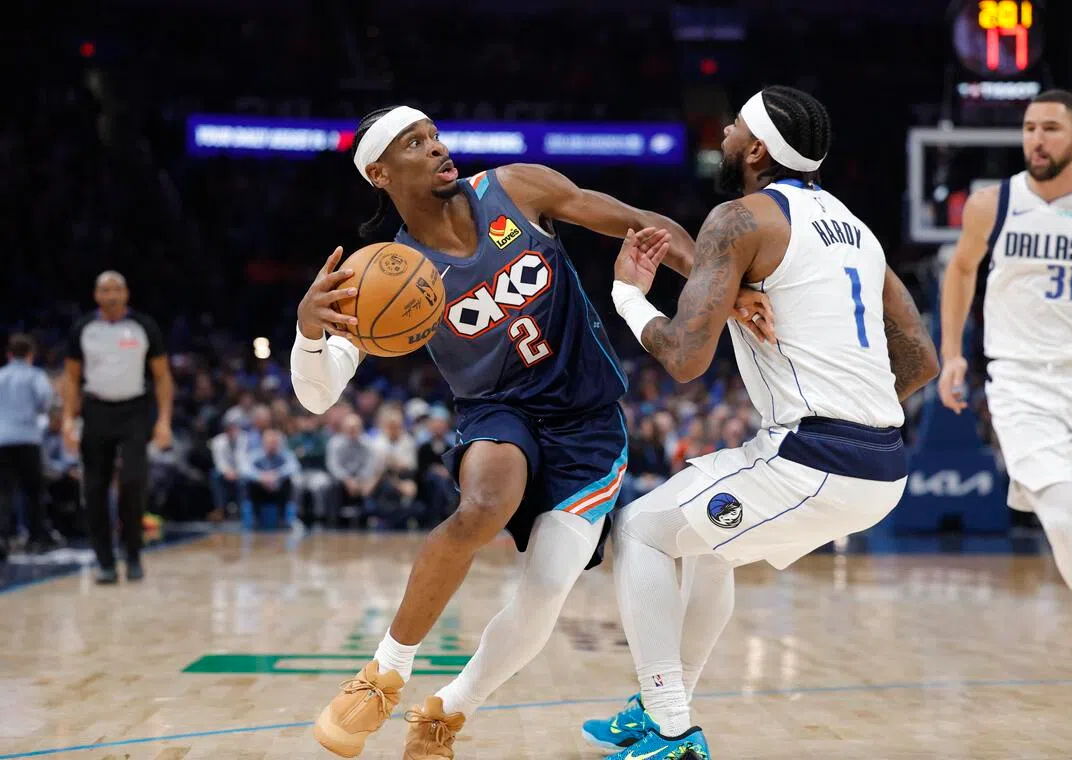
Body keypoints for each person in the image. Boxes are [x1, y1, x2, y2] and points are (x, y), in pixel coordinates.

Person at [289, 104, 775, 759]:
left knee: (544, 593)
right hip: (499, 412)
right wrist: (309, 330)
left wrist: (722, 290)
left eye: (434, 135)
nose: (436, 148)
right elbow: (317, 394)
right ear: (379, 171)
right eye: (414, 143)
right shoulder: (387, 272)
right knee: (484, 505)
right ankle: (384, 673)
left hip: (586, 421)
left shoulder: (515, 189)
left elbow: (644, 225)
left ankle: (445, 713)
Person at [582, 86, 939, 758]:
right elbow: (920, 359)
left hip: (816, 458)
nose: (722, 131)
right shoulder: (857, 230)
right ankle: (666, 705)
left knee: (639, 533)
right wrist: (855, 403)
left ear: (756, 150)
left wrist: (628, 295)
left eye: (734, 126)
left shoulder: (740, 217)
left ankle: (670, 730)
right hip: (880, 462)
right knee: (709, 550)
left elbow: (685, 359)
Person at [938, 89, 1072, 704]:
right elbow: (961, 270)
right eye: (1030, 128)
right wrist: (953, 354)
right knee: (1059, 519)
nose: (1037, 139)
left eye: (1051, 128)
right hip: (1020, 384)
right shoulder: (991, 205)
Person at [60, 271, 173, 584]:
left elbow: (162, 376)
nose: (111, 295)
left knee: (133, 481)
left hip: (134, 410)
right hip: (95, 410)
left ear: (126, 293)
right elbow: (70, 377)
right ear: (96, 295)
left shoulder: (144, 327)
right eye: (105, 290)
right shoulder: (83, 328)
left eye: (116, 289)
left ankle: (133, 554)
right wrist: (69, 418)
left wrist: (163, 420)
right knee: (94, 489)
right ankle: (105, 562)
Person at [0, 333, 57, 560]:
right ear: (31, 355)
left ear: (9, 354)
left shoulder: (0, 375)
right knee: (33, 491)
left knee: (2, 492)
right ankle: (37, 539)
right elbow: (47, 400)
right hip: (27, 438)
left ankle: (2, 539)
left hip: (2, 440)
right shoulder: (35, 376)